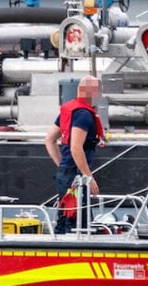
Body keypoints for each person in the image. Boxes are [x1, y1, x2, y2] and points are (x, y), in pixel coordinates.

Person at [43, 76, 106, 234]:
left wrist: (62, 166)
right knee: (77, 225)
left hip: (66, 174)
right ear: (91, 92)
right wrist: (88, 177)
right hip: (76, 178)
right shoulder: (83, 115)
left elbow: (49, 140)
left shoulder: (70, 110)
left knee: (64, 220)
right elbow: (76, 147)